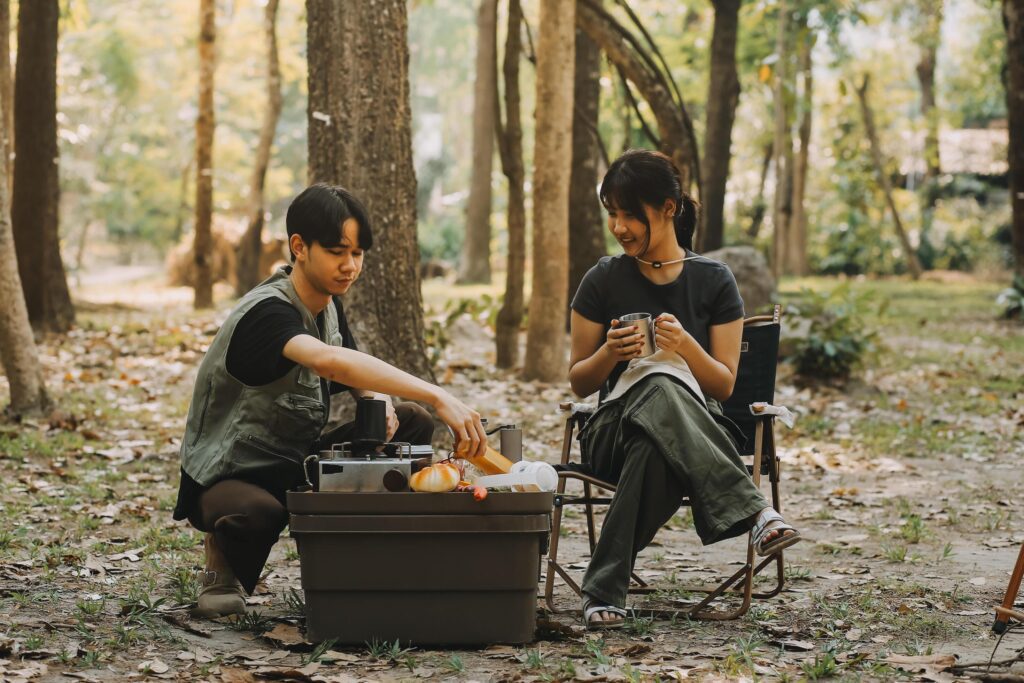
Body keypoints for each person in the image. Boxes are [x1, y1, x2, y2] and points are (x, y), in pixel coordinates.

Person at [173, 183, 487, 618]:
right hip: (231, 477)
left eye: (357, 254)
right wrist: (437, 394)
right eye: (338, 251)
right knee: (264, 511)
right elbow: (330, 361)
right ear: (299, 247)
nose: (350, 266)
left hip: (292, 460)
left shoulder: (329, 308)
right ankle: (221, 561)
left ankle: (373, 554)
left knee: (411, 422)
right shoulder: (268, 312)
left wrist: (380, 402)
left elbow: (354, 368)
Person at [568, 150, 801, 630]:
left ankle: (602, 591)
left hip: (692, 432)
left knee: (658, 446)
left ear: (668, 209)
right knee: (655, 380)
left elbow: (724, 384)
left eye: (630, 213)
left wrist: (688, 349)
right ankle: (754, 512)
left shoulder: (714, 281)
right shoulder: (602, 279)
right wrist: (610, 353)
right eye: (612, 213)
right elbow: (579, 380)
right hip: (611, 431)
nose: (619, 226)